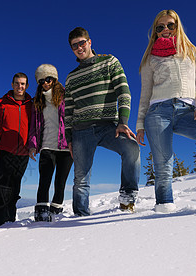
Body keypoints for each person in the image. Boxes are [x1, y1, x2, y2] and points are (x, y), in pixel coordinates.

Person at [135, 10, 196, 212]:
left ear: (178, 26)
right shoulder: (150, 58)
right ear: (155, 31)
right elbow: (145, 95)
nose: (165, 30)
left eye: (170, 25)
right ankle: (164, 207)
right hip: (157, 113)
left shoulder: (192, 51)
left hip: (187, 111)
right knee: (163, 165)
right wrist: (140, 125)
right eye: (160, 27)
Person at [65, 27, 140, 216]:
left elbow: (124, 91)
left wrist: (123, 121)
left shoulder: (109, 62)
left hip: (109, 127)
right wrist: (69, 139)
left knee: (131, 148)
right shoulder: (71, 77)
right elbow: (68, 111)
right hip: (80, 132)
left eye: (82, 43)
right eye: (75, 45)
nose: (79, 47)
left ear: (90, 42)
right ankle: (80, 216)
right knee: (81, 178)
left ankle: (127, 198)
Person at [0, 73, 32, 226]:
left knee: (15, 187)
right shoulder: (0, 103)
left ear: (27, 86)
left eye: (23, 84)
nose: (20, 87)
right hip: (4, 150)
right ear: (12, 85)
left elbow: (36, 128)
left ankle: (10, 219)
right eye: (17, 83)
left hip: (23, 152)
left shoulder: (32, 105)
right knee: (1, 186)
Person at [28, 64, 73, 221]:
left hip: (66, 147)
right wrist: (33, 145)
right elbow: (34, 126)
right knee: (44, 181)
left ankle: (56, 211)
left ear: (54, 79)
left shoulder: (66, 97)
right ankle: (41, 211)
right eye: (41, 81)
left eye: (48, 79)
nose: (45, 83)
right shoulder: (38, 102)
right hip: (47, 145)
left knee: (60, 182)